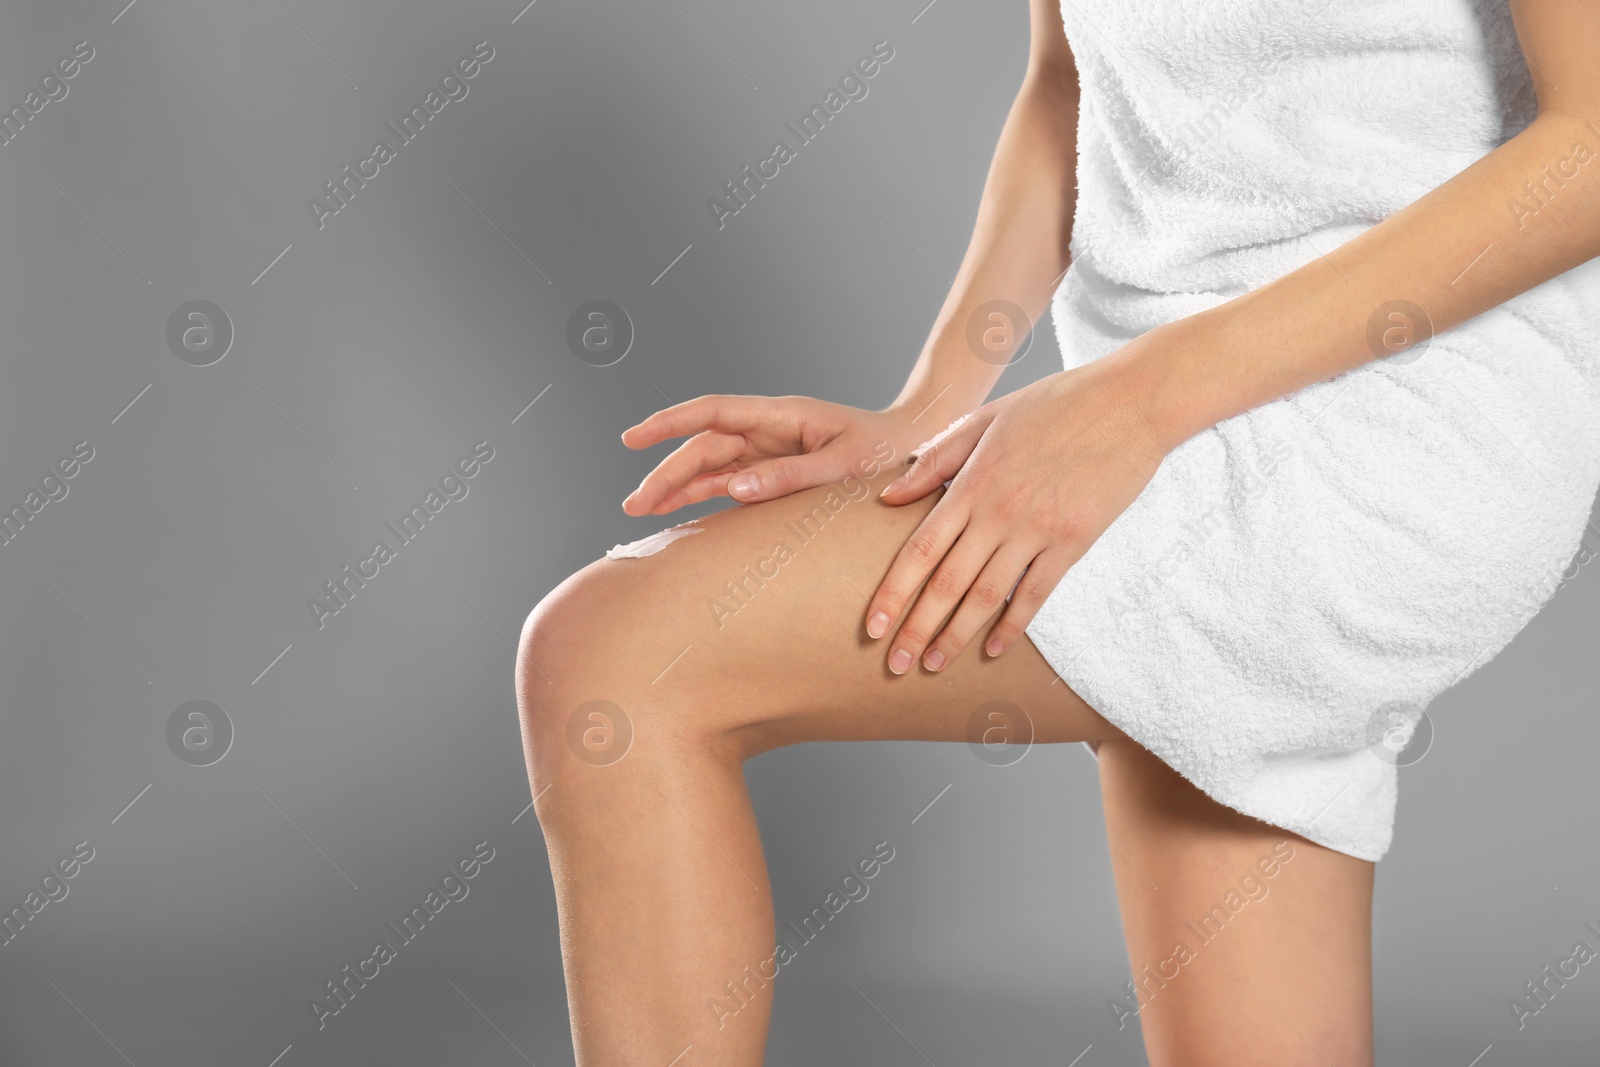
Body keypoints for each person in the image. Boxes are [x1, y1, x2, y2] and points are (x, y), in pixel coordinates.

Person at [516, 0, 1600, 1062]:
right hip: (1173, 402)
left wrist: (1139, 402)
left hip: (1403, 406)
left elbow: (1589, 145)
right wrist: (934, 401)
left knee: (617, 659)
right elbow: (1064, 81)